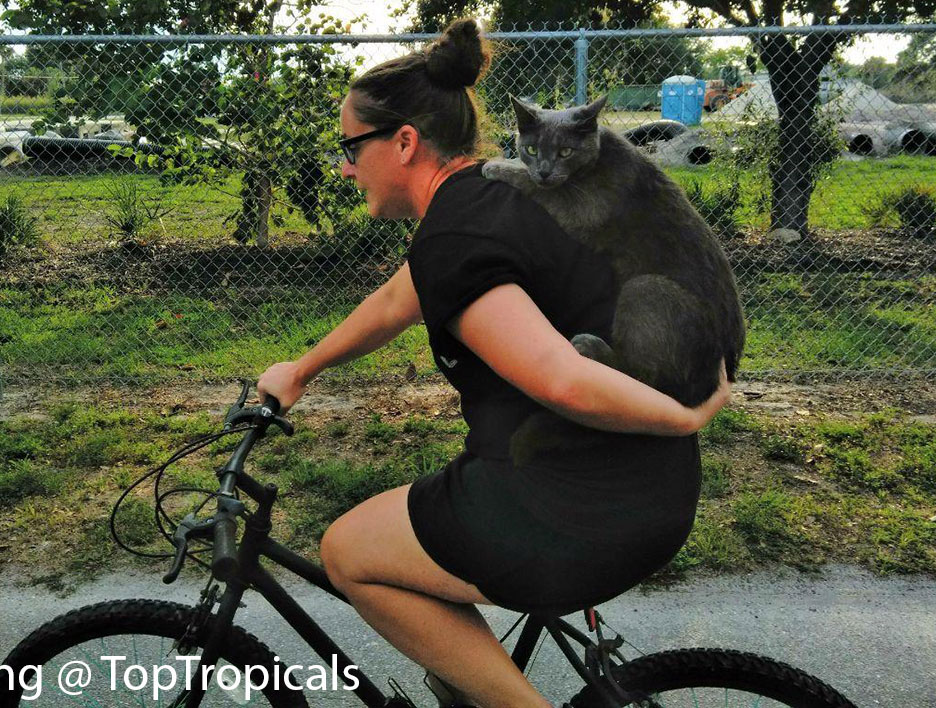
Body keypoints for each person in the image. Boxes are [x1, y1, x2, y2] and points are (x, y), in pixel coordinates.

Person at [257, 18, 732, 708]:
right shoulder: (489, 194)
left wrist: (687, 416)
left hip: (576, 506)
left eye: (351, 147)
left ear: (406, 142)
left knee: (349, 552)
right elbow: (401, 297)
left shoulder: (458, 235)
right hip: (631, 487)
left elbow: (563, 380)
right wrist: (302, 370)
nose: (344, 166)